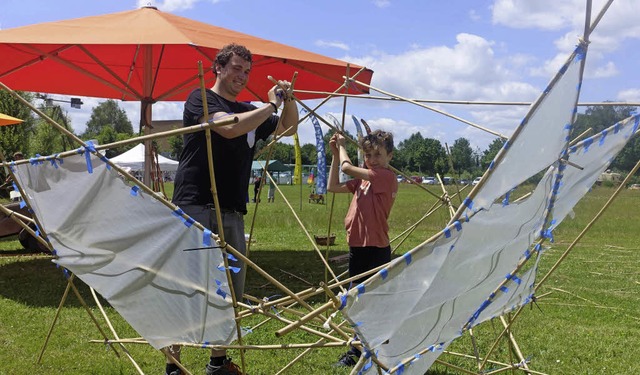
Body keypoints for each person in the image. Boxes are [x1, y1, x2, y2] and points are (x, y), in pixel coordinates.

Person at [168, 43, 299, 375]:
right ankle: (173, 363)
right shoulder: (200, 99)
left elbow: (289, 128)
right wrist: (270, 103)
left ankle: (217, 361)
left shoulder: (251, 110)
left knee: (230, 288)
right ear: (219, 68)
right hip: (195, 203)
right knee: (186, 285)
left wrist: (289, 100)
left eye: (247, 71)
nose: (242, 76)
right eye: (236, 68)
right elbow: (228, 127)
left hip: (231, 209)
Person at [327, 130, 397, 367]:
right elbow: (333, 186)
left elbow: (347, 169)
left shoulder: (385, 176)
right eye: (368, 155)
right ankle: (358, 349)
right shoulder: (362, 180)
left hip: (377, 248)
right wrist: (336, 154)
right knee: (357, 300)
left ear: (390, 156)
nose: (372, 159)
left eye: (378, 154)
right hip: (358, 247)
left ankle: (374, 348)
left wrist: (344, 147)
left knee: (374, 300)